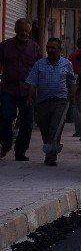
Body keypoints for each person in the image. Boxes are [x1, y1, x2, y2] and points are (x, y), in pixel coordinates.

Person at [26, 38, 77, 166]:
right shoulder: (39, 64)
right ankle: (49, 150)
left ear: (60, 50)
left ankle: (51, 157)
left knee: (56, 128)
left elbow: (72, 80)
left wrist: (72, 93)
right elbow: (32, 82)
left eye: (53, 48)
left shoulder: (66, 64)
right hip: (42, 102)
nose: (50, 50)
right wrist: (30, 97)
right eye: (48, 48)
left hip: (60, 102)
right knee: (45, 129)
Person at [0, 18, 42, 161]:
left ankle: (20, 152)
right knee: (5, 118)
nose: (24, 33)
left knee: (27, 123)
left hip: (27, 92)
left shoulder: (35, 47)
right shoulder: (4, 46)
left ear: (29, 31)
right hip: (8, 90)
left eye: (26, 30)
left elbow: (39, 69)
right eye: (21, 30)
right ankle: (5, 144)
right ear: (15, 30)